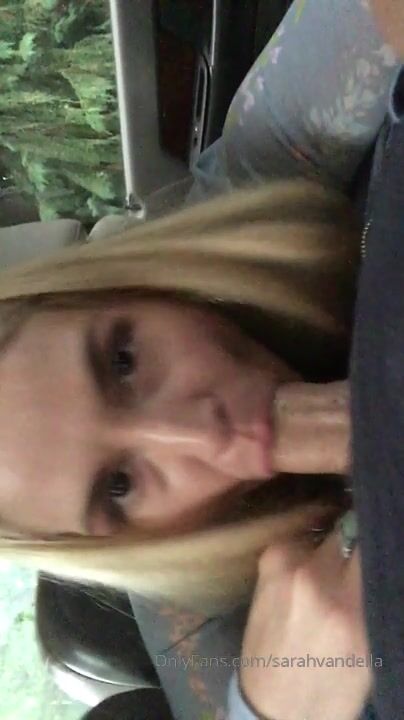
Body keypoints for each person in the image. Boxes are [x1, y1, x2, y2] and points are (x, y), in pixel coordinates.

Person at [0, 1, 401, 720]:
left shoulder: (256, 177)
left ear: (126, 284)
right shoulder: (221, 638)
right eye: (119, 486)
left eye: (124, 360)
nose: (196, 433)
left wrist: (377, 423)